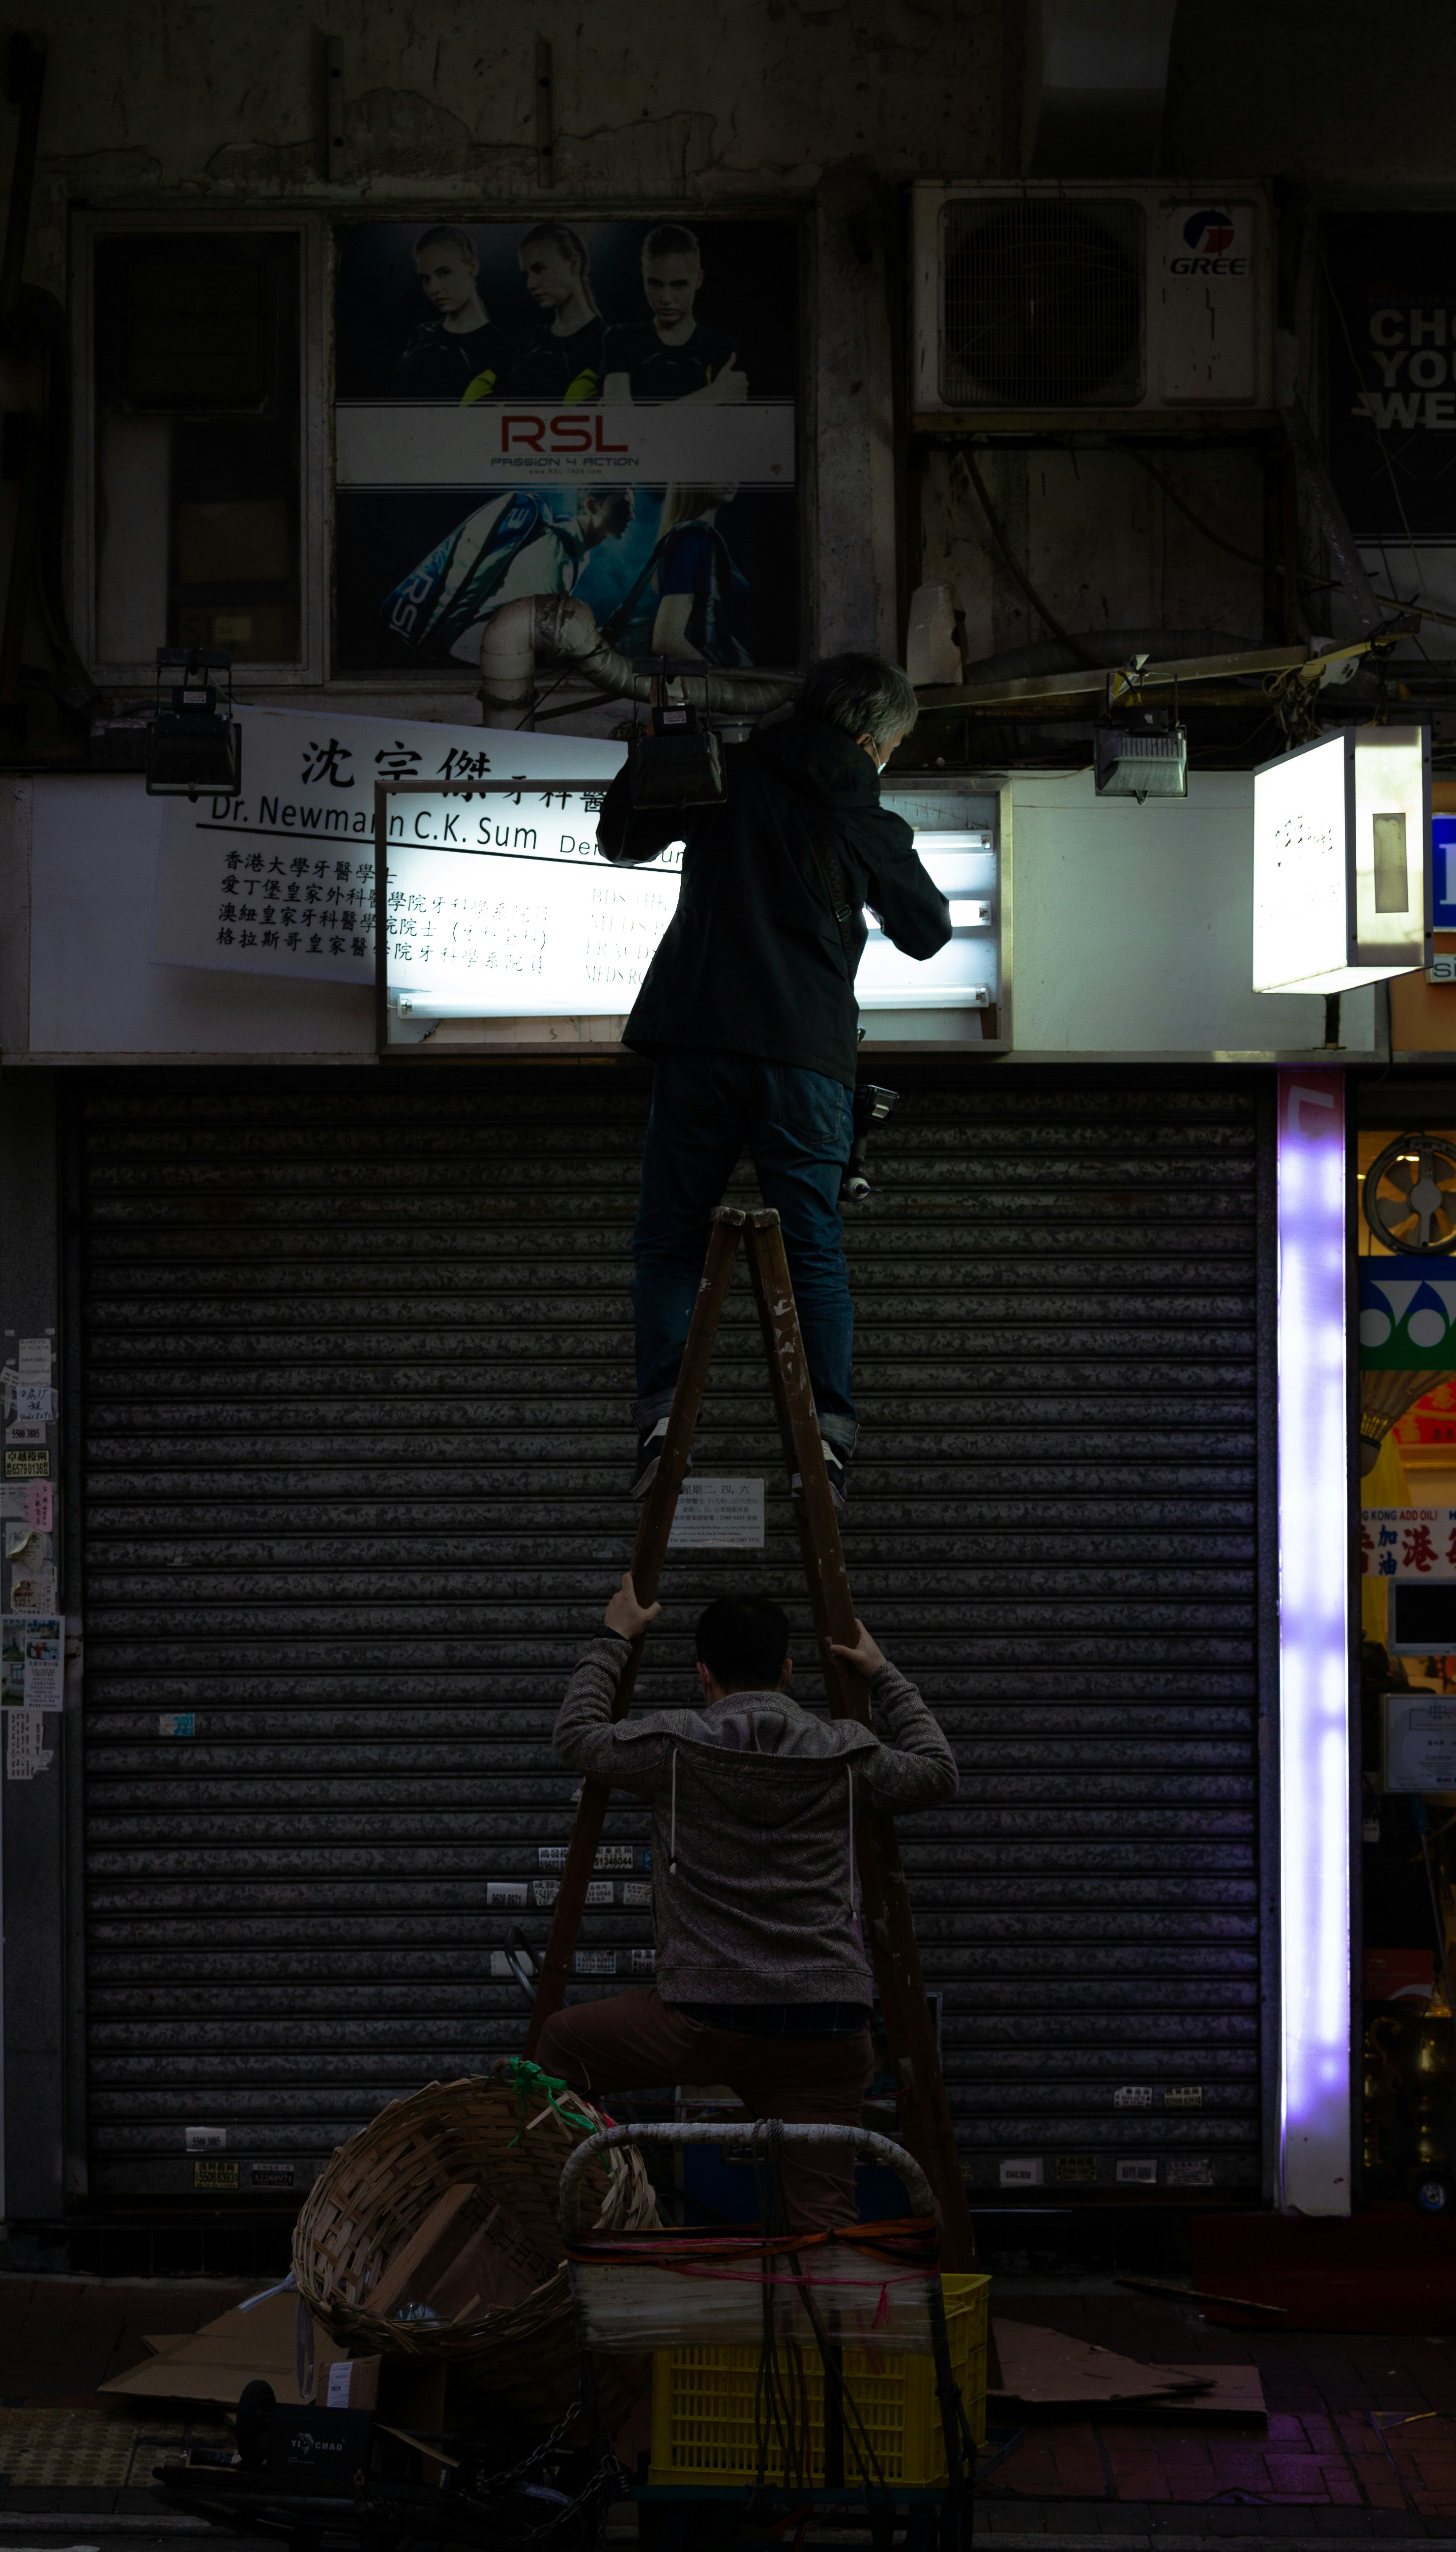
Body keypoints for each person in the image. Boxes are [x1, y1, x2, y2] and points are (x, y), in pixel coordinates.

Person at [597, 653, 950, 1506]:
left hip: (700, 1038)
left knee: (671, 1240)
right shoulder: (866, 817)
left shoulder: (722, 772)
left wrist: (649, 752)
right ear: (869, 741)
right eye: (893, 747)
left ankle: (659, 1422)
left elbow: (622, 840)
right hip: (806, 1057)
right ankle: (824, 1440)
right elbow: (930, 932)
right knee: (813, 1249)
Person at [538, 1573, 959, 2233]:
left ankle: (595, 2212)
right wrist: (881, 1672)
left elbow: (576, 1733)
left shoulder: (672, 1747)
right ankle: (833, 2324)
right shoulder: (845, 1752)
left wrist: (613, 1636)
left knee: (558, 2048)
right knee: (823, 2213)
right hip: (825, 2025)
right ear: (787, 1670)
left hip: (701, 2021)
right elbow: (936, 1770)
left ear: (703, 1673)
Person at [382, 483, 635, 661]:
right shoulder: (557, 550)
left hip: (497, 651)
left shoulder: (577, 549)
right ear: (592, 506)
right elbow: (545, 632)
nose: (632, 516)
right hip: (481, 653)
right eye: (623, 507)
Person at [604, 481, 751, 665]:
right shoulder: (693, 539)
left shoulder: (700, 539)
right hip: (717, 684)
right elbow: (667, 641)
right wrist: (721, 683)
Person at [600, 224, 748, 404]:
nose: (666, 299)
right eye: (655, 284)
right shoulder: (621, 339)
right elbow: (622, 424)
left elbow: (726, 430)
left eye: (679, 285)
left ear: (699, 279)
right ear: (644, 277)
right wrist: (714, 395)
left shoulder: (721, 347)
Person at [391, 224, 517, 403]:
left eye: (444, 273)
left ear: (472, 267)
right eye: (425, 279)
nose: (434, 289)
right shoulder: (421, 336)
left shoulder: (505, 351)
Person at [502, 221, 605, 402]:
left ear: (574, 264)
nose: (531, 285)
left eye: (540, 269)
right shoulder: (531, 340)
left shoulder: (607, 343)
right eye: (526, 275)